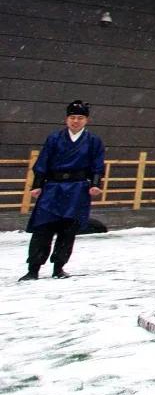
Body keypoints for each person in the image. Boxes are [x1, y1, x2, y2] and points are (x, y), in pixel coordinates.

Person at [19, 101, 105, 280]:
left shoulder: (93, 141)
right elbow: (43, 162)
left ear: (86, 120)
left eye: (80, 118)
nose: (76, 121)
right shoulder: (54, 139)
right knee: (43, 228)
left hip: (77, 189)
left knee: (68, 230)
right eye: (72, 117)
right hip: (52, 188)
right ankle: (33, 269)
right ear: (66, 119)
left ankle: (58, 267)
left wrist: (95, 184)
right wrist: (37, 185)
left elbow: (97, 166)